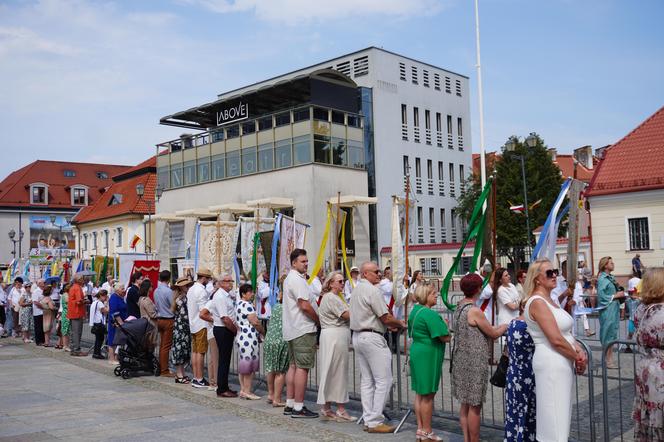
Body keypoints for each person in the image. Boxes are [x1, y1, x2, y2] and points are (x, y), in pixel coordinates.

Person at [524, 258, 587, 442]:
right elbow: (556, 339)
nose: (555, 276)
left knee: (560, 417)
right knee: (554, 420)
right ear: (537, 278)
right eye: (549, 273)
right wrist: (578, 357)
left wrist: (578, 350)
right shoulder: (537, 302)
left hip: (561, 360)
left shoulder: (550, 300)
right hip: (551, 361)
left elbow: (564, 334)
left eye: (555, 271)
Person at [350, 261, 406, 433]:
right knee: (384, 380)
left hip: (359, 335)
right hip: (372, 336)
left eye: (379, 271)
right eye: (376, 271)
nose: (379, 274)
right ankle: (374, 420)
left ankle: (369, 418)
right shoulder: (372, 290)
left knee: (367, 381)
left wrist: (390, 323)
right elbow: (385, 317)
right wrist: (400, 323)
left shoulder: (357, 288)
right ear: (365, 273)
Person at [452, 274, 507, 442]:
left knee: (465, 404)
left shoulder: (459, 306)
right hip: (474, 360)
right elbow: (493, 333)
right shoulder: (475, 311)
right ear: (477, 289)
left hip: (461, 358)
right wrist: (506, 325)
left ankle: (467, 439)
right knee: (475, 405)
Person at [410, 283, 451, 441]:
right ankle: (427, 431)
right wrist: (447, 328)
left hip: (418, 350)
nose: (436, 295)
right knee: (428, 394)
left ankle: (421, 429)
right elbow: (444, 337)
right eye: (433, 293)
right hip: (428, 353)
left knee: (420, 393)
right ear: (426, 295)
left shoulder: (415, 311)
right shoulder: (429, 314)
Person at [282, 249, 320, 418]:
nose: (306, 264)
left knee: (293, 366)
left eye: (306, 261)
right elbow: (304, 305)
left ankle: (290, 403)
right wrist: (318, 320)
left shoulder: (291, 278)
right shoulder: (296, 280)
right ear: (294, 263)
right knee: (302, 368)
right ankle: (298, 406)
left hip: (292, 328)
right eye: (303, 261)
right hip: (302, 327)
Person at [631, 267, 664, 441]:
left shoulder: (641, 310)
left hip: (646, 368)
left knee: (649, 417)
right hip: (660, 372)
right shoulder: (661, 312)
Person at [317, 271, 354, 421]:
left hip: (333, 335)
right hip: (335, 336)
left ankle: (327, 406)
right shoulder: (332, 298)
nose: (342, 283)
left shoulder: (334, 297)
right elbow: (347, 315)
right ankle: (341, 408)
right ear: (330, 283)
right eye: (339, 281)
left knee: (330, 370)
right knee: (337, 371)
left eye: (343, 281)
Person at [504, 300, 536, 442]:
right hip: (528, 374)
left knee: (515, 412)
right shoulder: (528, 328)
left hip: (514, 372)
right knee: (528, 412)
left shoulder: (512, 323)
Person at [200, 274, 237, 396]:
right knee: (223, 360)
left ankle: (224, 385)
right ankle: (222, 388)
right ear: (221, 283)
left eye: (231, 280)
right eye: (227, 281)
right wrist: (234, 330)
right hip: (223, 329)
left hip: (224, 329)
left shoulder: (226, 295)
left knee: (225, 359)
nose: (230, 283)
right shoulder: (220, 296)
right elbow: (225, 318)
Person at [234, 283, 264, 400]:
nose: (252, 294)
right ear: (243, 294)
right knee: (248, 366)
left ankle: (243, 389)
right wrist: (262, 331)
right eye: (250, 292)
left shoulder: (239, 304)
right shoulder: (247, 305)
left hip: (242, 335)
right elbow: (255, 322)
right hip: (248, 337)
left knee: (243, 365)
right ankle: (247, 391)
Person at [263, 275, 289, 407]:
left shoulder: (277, 306)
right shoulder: (288, 308)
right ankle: (277, 399)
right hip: (281, 340)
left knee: (271, 369)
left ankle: (271, 394)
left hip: (270, 339)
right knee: (281, 371)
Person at [597, 256, 626, 368]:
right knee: (607, 334)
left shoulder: (611, 278)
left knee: (612, 334)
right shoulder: (603, 279)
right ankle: (607, 360)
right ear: (605, 265)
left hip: (613, 309)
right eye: (611, 263)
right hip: (607, 310)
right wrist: (616, 295)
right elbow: (601, 296)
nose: (613, 264)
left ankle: (609, 359)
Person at [187, 268, 213, 388]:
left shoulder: (191, 289)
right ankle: (199, 378)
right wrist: (214, 319)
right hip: (201, 324)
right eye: (208, 279)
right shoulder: (201, 291)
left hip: (193, 323)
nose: (208, 281)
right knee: (201, 352)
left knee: (195, 351)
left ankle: (196, 377)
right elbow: (204, 311)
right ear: (204, 278)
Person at [170, 277, 193, 384]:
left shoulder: (181, 297)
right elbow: (185, 316)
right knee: (180, 351)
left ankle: (181, 373)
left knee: (182, 350)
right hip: (182, 328)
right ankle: (179, 374)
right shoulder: (181, 299)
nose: (188, 287)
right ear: (181, 287)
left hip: (181, 328)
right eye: (186, 285)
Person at [154, 270, 175, 377]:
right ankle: (164, 369)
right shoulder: (168, 291)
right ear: (168, 278)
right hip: (168, 319)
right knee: (166, 346)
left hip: (159, 318)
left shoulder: (156, 290)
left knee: (162, 345)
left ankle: (162, 366)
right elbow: (173, 306)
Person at [68, 274, 87, 356]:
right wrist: (85, 301)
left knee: (73, 332)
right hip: (77, 312)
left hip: (72, 312)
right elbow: (79, 301)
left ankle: (73, 348)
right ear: (79, 280)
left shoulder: (73, 287)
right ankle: (77, 350)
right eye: (82, 279)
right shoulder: (77, 288)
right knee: (77, 332)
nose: (84, 280)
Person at [107, 283, 127, 364]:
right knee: (112, 340)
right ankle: (111, 359)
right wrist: (120, 323)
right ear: (117, 290)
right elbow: (115, 312)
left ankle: (115, 358)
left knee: (116, 340)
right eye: (122, 288)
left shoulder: (119, 297)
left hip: (119, 322)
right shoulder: (114, 297)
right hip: (115, 323)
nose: (124, 290)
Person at [137, 279, 158, 351]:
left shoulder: (141, 298)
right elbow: (153, 314)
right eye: (151, 286)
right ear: (148, 288)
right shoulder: (146, 300)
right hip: (150, 324)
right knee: (150, 344)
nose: (152, 288)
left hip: (145, 323)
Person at [89, 289, 109, 359]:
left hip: (95, 322)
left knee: (98, 338)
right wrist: (107, 303)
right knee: (100, 338)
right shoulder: (100, 303)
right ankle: (97, 353)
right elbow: (106, 311)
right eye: (105, 296)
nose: (106, 298)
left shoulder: (95, 302)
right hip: (99, 323)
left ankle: (96, 353)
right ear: (101, 296)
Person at [31, 279, 45, 345]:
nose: (44, 284)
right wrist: (43, 307)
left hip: (43, 312)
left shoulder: (44, 290)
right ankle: (38, 341)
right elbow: (35, 302)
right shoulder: (36, 291)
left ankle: (43, 340)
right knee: (38, 327)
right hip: (38, 312)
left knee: (43, 327)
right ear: (39, 284)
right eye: (43, 283)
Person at [58, 284, 71, 352]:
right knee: (65, 330)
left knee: (67, 330)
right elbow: (68, 302)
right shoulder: (66, 295)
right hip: (66, 314)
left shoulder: (66, 294)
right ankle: (65, 345)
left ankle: (66, 345)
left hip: (67, 313)